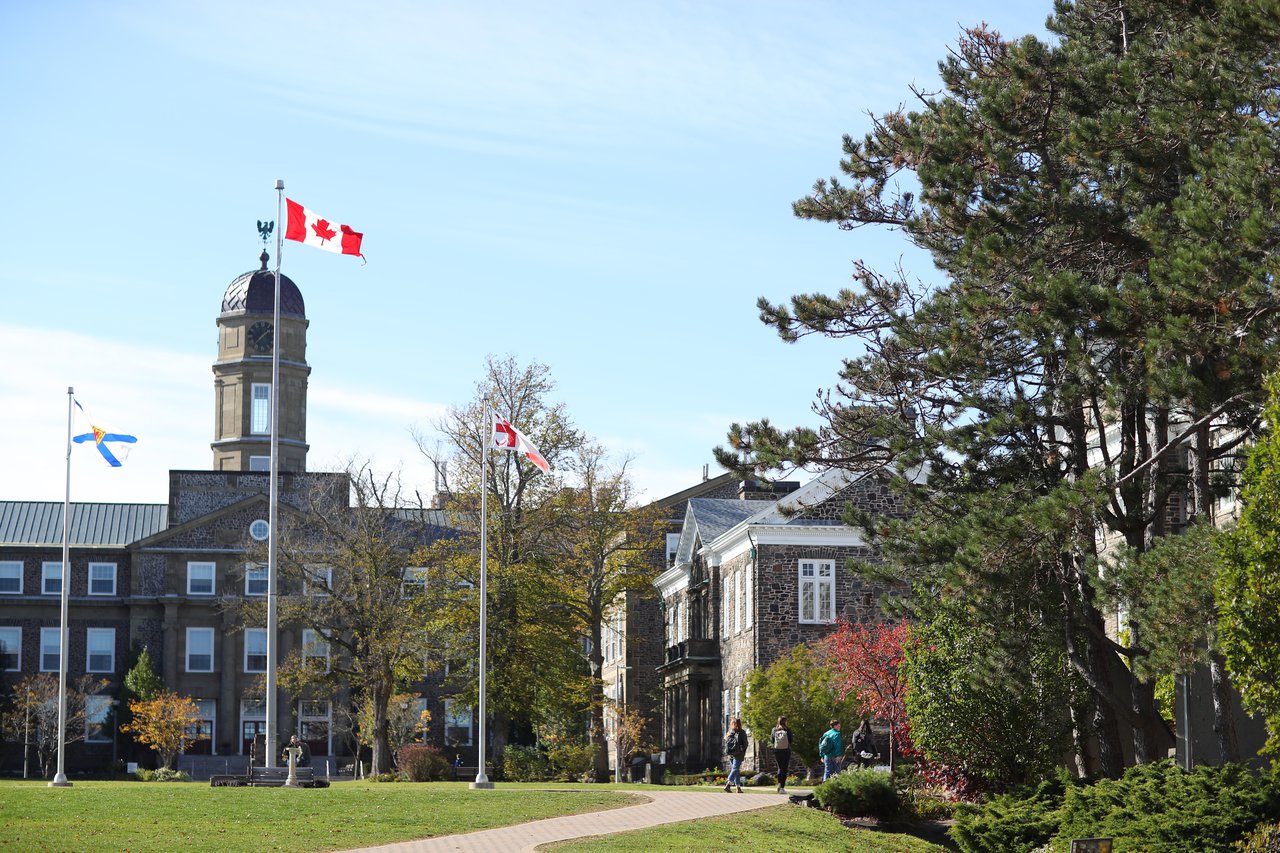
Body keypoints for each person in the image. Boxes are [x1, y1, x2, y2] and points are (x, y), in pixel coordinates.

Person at [723, 717, 747, 793]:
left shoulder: (729, 732)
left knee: (735, 770)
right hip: (738, 753)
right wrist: (743, 751)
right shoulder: (742, 732)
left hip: (731, 753)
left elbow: (726, 742)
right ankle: (728, 784)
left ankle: (738, 788)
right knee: (735, 769)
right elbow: (745, 743)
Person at [770, 716, 793, 793]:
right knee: (784, 769)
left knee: (779, 768)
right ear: (785, 721)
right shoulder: (787, 729)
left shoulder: (774, 729)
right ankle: (782, 788)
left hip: (777, 751)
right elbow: (791, 740)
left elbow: (772, 740)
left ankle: (779, 784)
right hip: (786, 751)